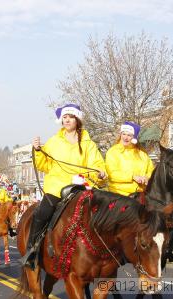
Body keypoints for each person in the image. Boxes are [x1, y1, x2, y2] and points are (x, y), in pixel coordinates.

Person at [22, 103, 107, 269]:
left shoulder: (88, 143)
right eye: (65, 118)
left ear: (77, 119)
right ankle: (31, 250)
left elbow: (97, 164)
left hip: (82, 186)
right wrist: (38, 151)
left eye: (71, 117)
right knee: (42, 211)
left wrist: (100, 173)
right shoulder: (54, 141)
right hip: (57, 186)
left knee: (102, 212)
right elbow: (44, 165)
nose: (67, 120)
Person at [105, 121, 154, 196]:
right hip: (118, 195)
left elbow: (151, 170)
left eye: (129, 135)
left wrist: (147, 178)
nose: (125, 137)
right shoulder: (113, 151)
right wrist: (132, 177)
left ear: (134, 138)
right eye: (123, 134)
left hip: (140, 194)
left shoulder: (142, 153)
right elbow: (111, 174)